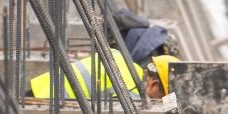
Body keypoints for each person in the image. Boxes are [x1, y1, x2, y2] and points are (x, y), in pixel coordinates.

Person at [28, 49, 178, 101]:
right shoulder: (130, 95)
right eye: (161, 99)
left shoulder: (119, 57)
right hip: (47, 106)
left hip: (38, 89)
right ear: (154, 85)